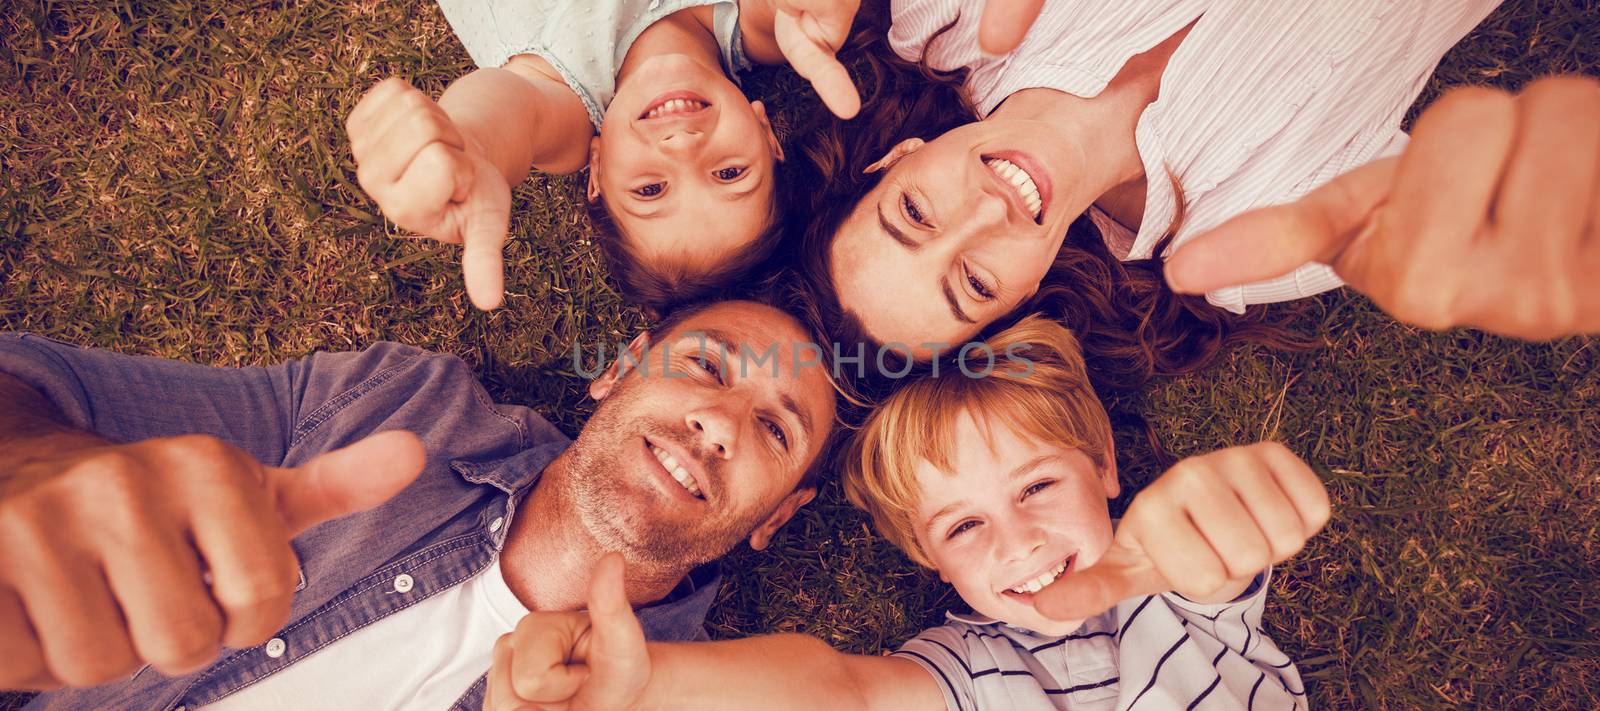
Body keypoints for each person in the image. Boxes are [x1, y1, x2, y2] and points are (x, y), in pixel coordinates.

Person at [0, 299, 840, 710]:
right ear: (618, 369)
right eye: (705, 366)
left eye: (774, 430)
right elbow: (40, 384)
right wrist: (32, 464)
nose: (719, 425)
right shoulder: (398, 406)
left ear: (775, 518)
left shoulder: (686, 700)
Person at [485, 316, 1332, 710]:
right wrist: (661, 682)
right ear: (930, 559)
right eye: (964, 527)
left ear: (1104, 461)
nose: (1020, 540)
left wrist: (1221, 508)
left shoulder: (1178, 591)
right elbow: (839, 690)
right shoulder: (970, 664)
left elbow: (1213, 549)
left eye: (1037, 486)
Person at [787, 0, 1600, 390]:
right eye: (973, 282)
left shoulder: (946, 17)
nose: (984, 217)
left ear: (897, 156)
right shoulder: (1253, 234)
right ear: (1024, 298)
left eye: (915, 214)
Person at [347, 0, 861, 312]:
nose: (682, 147)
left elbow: (512, 113)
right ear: (768, 136)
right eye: (729, 173)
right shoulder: (765, 29)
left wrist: (473, 142)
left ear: (597, 170)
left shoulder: (563, 105)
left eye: (650, 189)